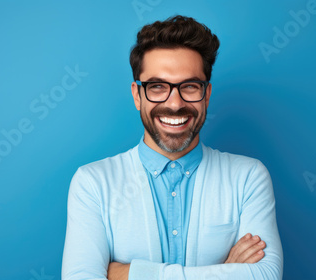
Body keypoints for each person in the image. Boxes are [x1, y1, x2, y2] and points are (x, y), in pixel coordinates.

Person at [62, 15, 283, 280]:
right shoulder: (93, 183)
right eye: (157, 87)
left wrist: (129, 273)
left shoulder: (248, 177)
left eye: (190, 86)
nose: (175, 103)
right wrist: (225, 271)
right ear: (137, 94)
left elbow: (266, 276)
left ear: (207, 95)